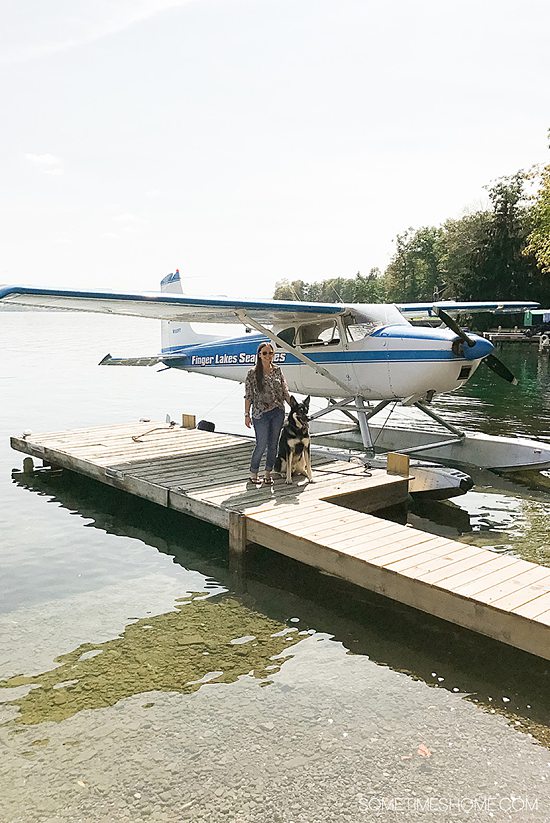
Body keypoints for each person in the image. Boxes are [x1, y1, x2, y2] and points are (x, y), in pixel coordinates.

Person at [244, 342, 291, 485]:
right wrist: (246, 414)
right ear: (259, 355)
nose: (268, 356)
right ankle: (253, 472)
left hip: (278, 411)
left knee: (273, 444)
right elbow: (248, 396)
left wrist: (294, 407)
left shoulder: (277, 370)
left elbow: (284, 391)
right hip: (260, 413)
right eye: (264, 353)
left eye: (270, 353)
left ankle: (268, 473)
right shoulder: (252, 373)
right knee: (261, 444)